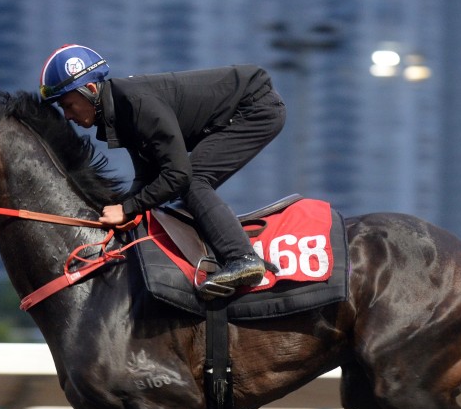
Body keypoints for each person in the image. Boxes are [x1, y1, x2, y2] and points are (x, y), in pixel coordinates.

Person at [39, 44, 286, 297]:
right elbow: (147, 178)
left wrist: (126, 209)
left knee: (193, 181)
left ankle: (243, 258)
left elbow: (178, 175)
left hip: (255, 109)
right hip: (242, 108)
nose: (68, 116)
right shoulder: (118, 112)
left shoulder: (135, 105)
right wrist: (118, 212)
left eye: (68, 105)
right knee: (185, 185)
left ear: (91, 90)